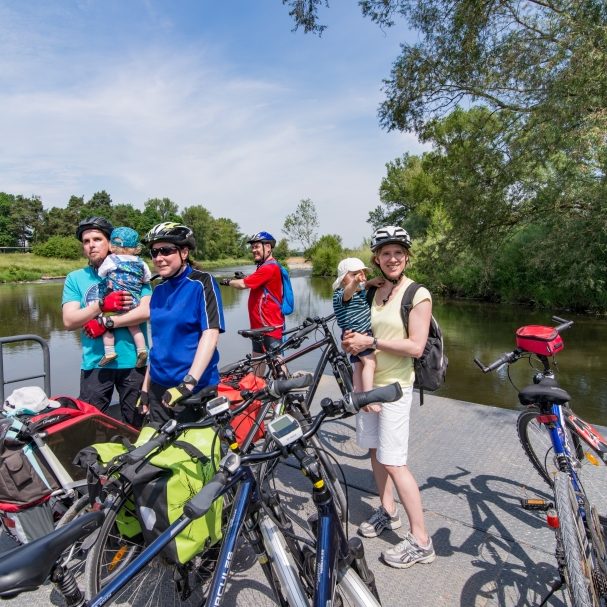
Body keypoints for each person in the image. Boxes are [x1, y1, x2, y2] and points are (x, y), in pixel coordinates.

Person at [342, 225, 436, 569]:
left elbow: (415, 346)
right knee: (375, 452)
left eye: (398, 253)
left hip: (396, 386)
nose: (392, 258)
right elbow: (350, 314)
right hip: (370, 385)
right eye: (385, 253)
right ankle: (388, 510)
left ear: (406, 256)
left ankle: (422, 541)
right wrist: (352, 341)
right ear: (377, 259)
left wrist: (371, 344)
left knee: (395, 461)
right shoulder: (375, 291)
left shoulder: (417, 294)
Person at [62, 217, 151, 427]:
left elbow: (146, 311)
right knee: (91, 424)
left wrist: (106, 324)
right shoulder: (75, 278)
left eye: (97, 239)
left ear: (110, 243)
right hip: (95, 362)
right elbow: (69, 320)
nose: (91, 245)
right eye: (86, 241)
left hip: (134, 363)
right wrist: (100, 306)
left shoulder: (134, 270)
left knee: (137, 423)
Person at [137, 222, 225, 425]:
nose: (159, 258)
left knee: (196, 452)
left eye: (165, 251)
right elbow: (159, 344)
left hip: (194, 388)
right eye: (154, 252)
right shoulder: (158, 290)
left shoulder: (202, 283)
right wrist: (145, 388)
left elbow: (210, 334)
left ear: (184, 252)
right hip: (159, 388)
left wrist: (189, 383)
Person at [220, 231, 285, 354]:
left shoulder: (269, 267)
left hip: (269, 327)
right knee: (257, 361)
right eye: (252, 247)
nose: (253, 250)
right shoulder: (264, 267)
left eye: (257, 247)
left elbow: (243, 284)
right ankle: (257, 375)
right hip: (259, 328)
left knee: (278, 365)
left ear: (268, 247)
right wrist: (245, 276)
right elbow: (257, 282)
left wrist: (229, 282)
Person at [97, 227, 152, 368]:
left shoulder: (111, 259)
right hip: (133, 302)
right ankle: (142, 350)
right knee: (134, 327)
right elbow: (147, 278)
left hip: (116, 301)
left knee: (105, 324)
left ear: (113, 245)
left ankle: (109, 352)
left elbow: (101, 273)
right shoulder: (141, 262)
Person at [332, 257, 376, 395]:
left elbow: (361, 287)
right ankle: (369, 396)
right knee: (370, 363)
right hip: (359, 334)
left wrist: (370, 282)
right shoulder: (341, 294)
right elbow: (348, 293)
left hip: (354, 333)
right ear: (343, 279)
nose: (360, 278)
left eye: (361, 274)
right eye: (354, 274)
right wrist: (356, 281)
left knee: (358, 366)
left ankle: (357, 395)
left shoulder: (358, 289)